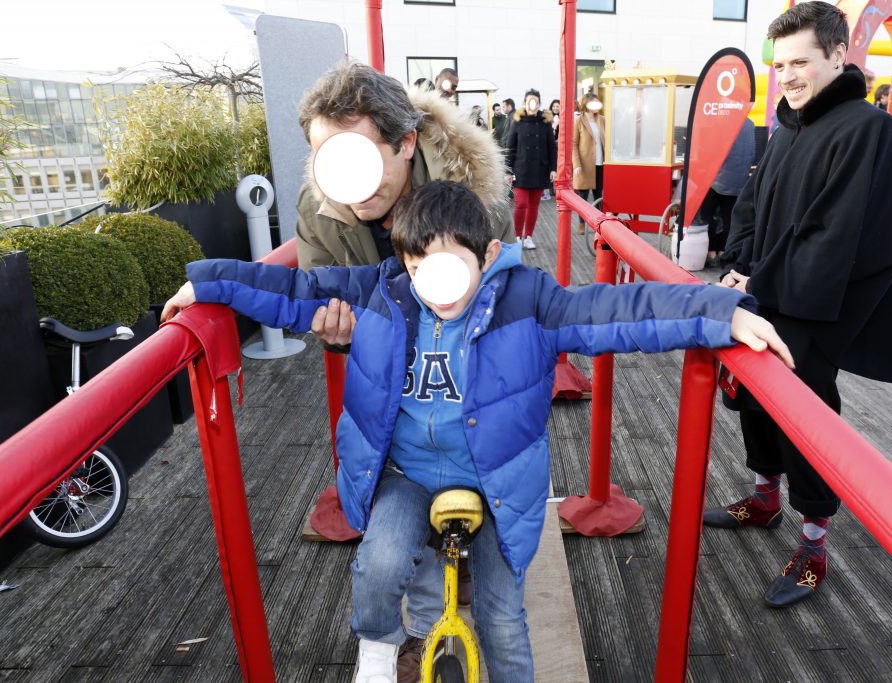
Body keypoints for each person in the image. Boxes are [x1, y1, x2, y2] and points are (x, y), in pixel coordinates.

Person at [162, 179, 793, 683]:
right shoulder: (382, 294)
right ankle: (379, 652)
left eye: (451, 268)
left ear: (489, 255)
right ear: (402, 264)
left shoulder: (529, 302)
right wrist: (207, 283)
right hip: (406, 474)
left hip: (494, 482)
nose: (435, 287)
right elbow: (296, 287)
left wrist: (721, 312)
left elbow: (621, 311)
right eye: (418, 268)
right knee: (380, 561)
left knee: (500, 617)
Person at [291, 61, 515, 681]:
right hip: (394, 399)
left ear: (407, 142)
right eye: (329, 159)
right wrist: (338, 336)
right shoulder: (325, 211)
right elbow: (314, 295)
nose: (347, 184)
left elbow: (509, 303)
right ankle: (410, 632)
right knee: (396, 523)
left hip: (468, 387)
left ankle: (465, 578)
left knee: (478, 522)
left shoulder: (477, 196)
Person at [705, 1, 892, 609]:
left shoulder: (864, 127)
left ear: (837, 56)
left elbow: (835, 233)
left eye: (800, 62)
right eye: (780, 65)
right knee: (751, 404)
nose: (788, 76)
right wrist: (738, 266)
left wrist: (763, 287)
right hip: (766, 296)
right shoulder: (788, 124)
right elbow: (751, 204)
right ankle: (766, 497)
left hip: (814, 309)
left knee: (807, 423)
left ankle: (815, 543)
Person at [696, 118, 755, 266]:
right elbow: (753, 152)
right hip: (739, 180)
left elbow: (713, 150)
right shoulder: (749, 123)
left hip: (718, 179)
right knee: (729, 218)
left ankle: (711, 252)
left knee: (707, 214)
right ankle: (724, 252)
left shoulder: (725, 119)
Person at [505, 89, 557, 249]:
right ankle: (517, 236)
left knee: (534, 206)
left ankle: (529, 236)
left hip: (540, 169)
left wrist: (553, 169)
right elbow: (510, 147)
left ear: (539, 104)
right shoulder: (517, 121)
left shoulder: (545, 122)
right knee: (520, 204)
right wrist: (507, 171)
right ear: (525, 103)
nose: (532, 105)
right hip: (521, 170)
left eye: (535, 102)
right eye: (529, 102)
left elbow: (551, 147)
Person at [572, 92, 606, 235]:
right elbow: (573, 144)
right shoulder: (578, 121)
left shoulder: (603, 120)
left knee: (599, 195)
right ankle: (581, 223)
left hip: (601, 163)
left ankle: (599, 223)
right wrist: (577, 164)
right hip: (585, 164)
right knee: (583, 196)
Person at [543, 99, 561, 200]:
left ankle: (556, 187)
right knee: (550, 166)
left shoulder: (563, 117)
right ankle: (549, 188)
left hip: (559, 145)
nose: (555, 108)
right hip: (549, 145)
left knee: (557, 166)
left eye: (557, 106)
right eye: (554, 106)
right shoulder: (547, 117)